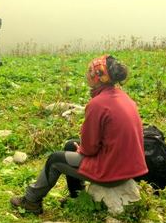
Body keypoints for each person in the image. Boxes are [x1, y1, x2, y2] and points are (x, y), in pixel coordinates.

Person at [10, 55, 148, 214]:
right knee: (70, 145)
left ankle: (31, 201)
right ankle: (76, 196)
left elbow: (89, 149)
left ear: (99, 78)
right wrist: (81, 149)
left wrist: (82, 151)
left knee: (54, 159)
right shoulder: (124, 98)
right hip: (127, 167)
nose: (87, 75)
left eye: (90, 72)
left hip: (111, 171)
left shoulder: (98, 104)